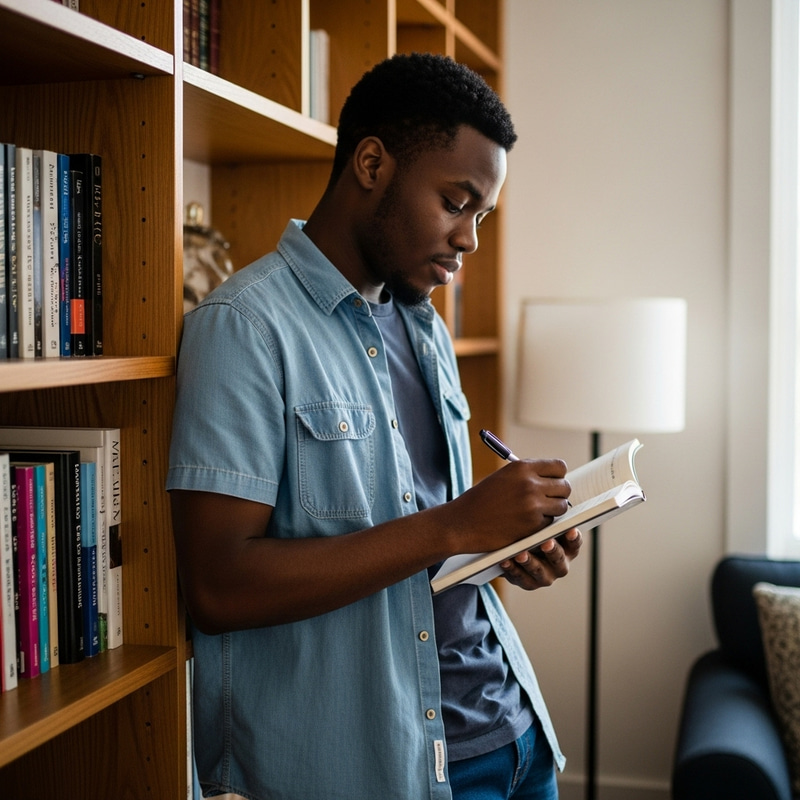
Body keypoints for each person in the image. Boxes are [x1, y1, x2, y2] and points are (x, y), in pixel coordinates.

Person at [167, 52, 582, 800]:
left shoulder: (423, 326)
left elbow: (431, 541)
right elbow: (218, 586)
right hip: (388, 766)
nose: (470, 239)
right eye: (457, 202)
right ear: (371, 164)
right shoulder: (244, 327)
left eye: (482, 215)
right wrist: (455, 526)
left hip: (514, 736)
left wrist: (506, 543)